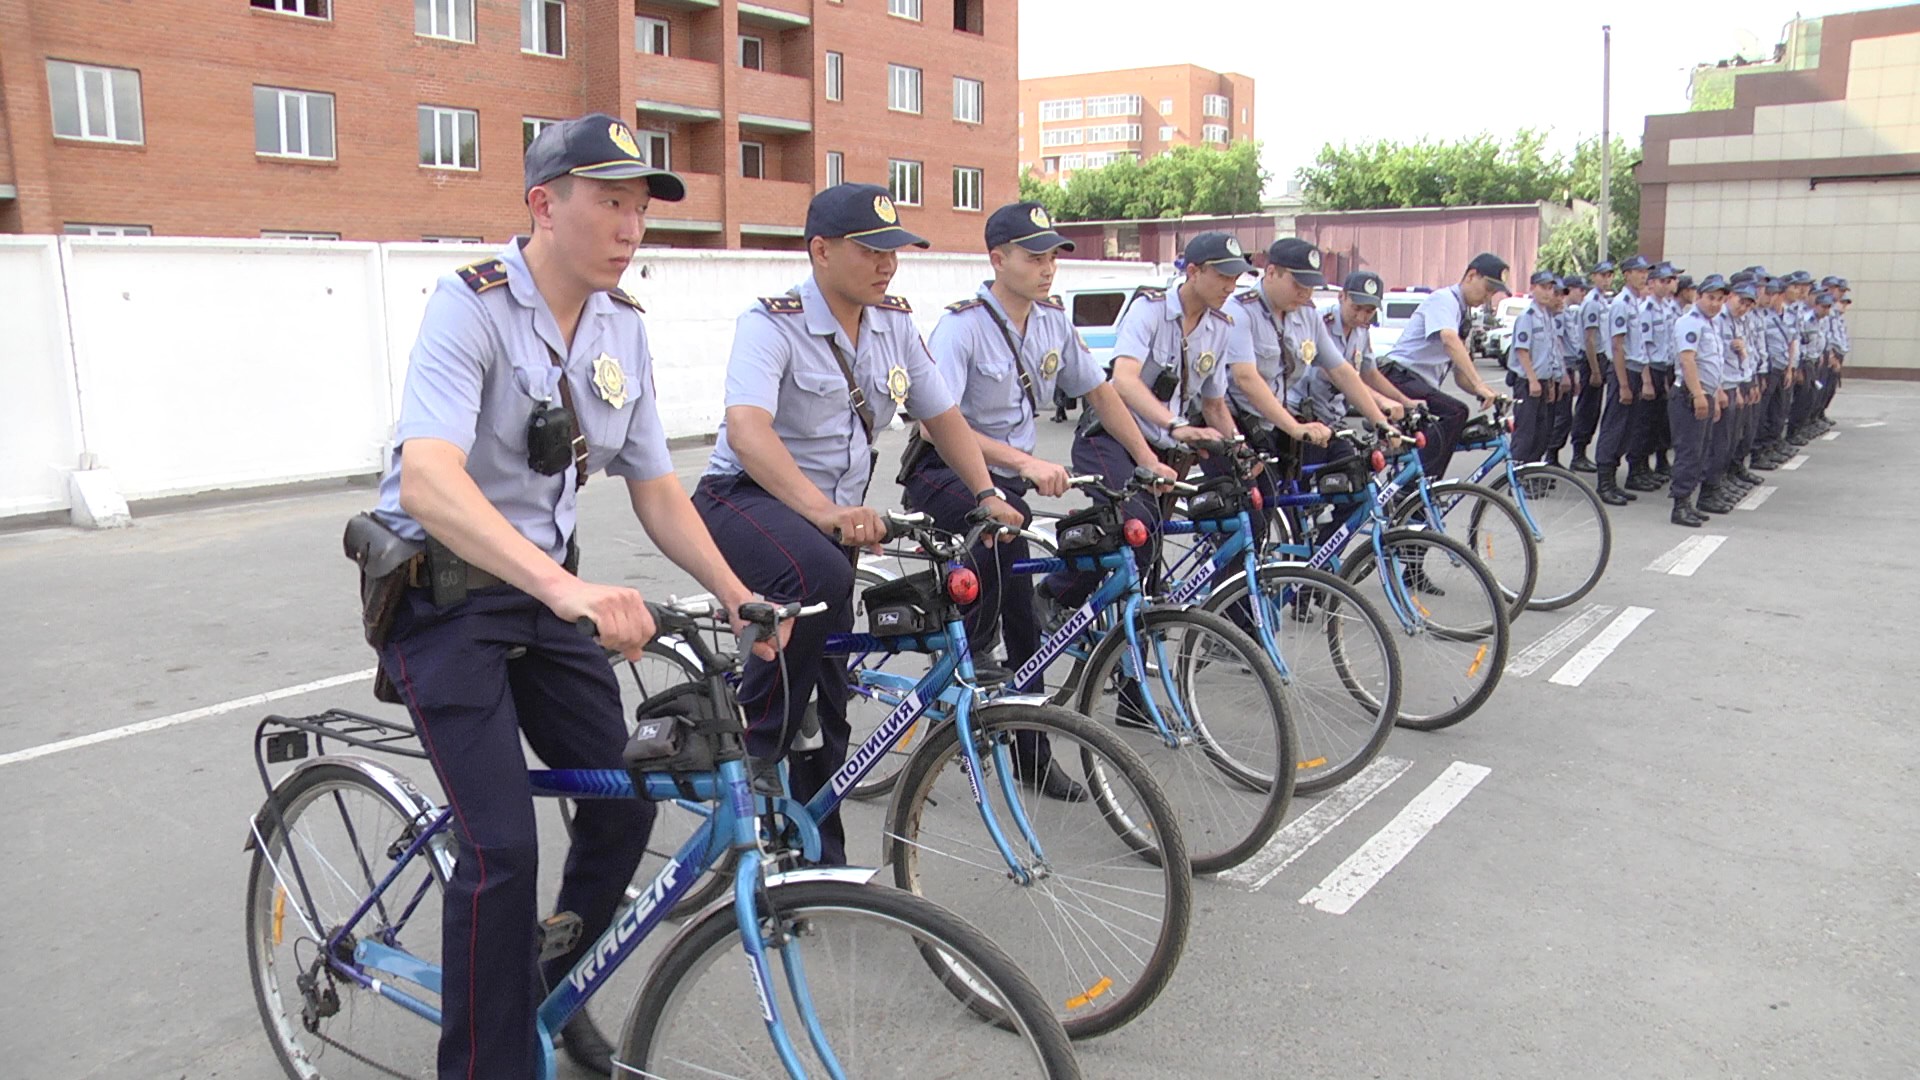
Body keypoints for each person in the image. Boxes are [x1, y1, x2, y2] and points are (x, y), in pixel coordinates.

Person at [360, 113, 780, 1079]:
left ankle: (556, 985)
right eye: (611, 202)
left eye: (640, 207)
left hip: (545, 600)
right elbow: (427, 478)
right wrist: (570, 589)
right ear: (545, 205)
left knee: (626, 800)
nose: (631, 226)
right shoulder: (466, 304)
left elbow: (657, 485)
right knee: (501, 848)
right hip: (443, 596)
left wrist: (733, 590)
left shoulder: (620, 327)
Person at [694, 183, 1023, 864]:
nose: (888, 264)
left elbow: (943, 417)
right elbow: (748, 432)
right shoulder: (771, 322)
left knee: (833, 687)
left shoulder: (894, 324)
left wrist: (986, 492)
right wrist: (821, 512)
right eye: (871, 250)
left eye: (895, 250)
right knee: (816, 584)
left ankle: (822, 857)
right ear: (820, 251)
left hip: (832, 523)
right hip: (745, 498)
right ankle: (756, 754)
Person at [905, 201, 1150, 798]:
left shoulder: (1051, 323)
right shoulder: (961, 326)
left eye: (1052, 257)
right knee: (1002, 570)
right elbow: (939, 423)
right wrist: (1023, 463)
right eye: (1034, 256)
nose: (1048, 269)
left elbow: (1100, 391)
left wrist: (1148, 459)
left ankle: (1032, 754)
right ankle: (976, 652)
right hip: (947, 474)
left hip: (1007, 486)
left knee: (1031, 620)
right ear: (998, 258)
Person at [1042, 231, 1247, 608]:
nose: (1231, 286)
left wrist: (1237, 446)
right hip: (1110, 438)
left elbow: (1215, 403)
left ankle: (1137, 619)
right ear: (1194, 271)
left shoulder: (1221, 326)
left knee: (1231, 507)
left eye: (1236, 278)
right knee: (1131, 522)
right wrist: (1176, 424)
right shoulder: (1149, 310)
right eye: (1223, 276)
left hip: (1164, 450)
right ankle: (1057, 596)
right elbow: (1124, 380)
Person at [1227, 240, 1402, 510]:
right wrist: (1294, 427)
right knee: (1256, 515)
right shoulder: (1240, 310)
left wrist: (1380, 421)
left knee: (1340, 491)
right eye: (1298, 285)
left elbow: (1341, 370)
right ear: (1271, 272)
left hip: (1274, 426)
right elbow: (1246, 379)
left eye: (1310, 286)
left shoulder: (1306, 314)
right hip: (1235, 423)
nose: (1305, 293)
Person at [1376, 252, 1509, 476]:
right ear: (1471, 275)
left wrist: (1486, 391)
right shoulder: (1444, 299)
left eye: (1493, 293)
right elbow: (1449, 340)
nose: (1488, 297)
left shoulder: (1462, 314)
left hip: (1416, 382)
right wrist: (1478, 384)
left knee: (1450, 426)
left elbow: (1460, 376)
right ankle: (1419, 490)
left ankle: (1418, 487)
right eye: (1487, 289)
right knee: (1456, 413)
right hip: (1399, 377)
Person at [1669, 275, 1732, 526]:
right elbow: (1688, 360)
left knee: (1701, 450)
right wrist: (1698, 395)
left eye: (1720, 299)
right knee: (1689, 451)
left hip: (1705, 393)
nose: (1715, 304)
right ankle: (1680, 504)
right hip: (1688, 394)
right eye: (1710, 298)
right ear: (1699, 297)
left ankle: (1689, 502)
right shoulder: (1690, 322)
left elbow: (1711, 364)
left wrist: (1714, 394)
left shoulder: (1711, 324)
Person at [1592, 254, 1654, 506]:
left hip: (1635, 369)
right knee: (1614, 426)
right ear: (1626, 274)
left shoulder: (1636, 303)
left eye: (1645, 272)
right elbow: (1617, 347)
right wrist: (1625, 385)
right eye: (1638, 271)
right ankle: (1604, 482)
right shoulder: (1621, 304)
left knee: (1628, 428)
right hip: (1624, 371)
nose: (1644, 276)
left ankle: (1613, 481)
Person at [1505, 271, 1566, 463]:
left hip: (1542, 381)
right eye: (1543, 287)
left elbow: (1550, 352)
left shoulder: (1546, 317)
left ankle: (1533, 471)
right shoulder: (1527, 316)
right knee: (1526, 431)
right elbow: (1522, 351)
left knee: (1541, 431)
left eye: (1550, 288)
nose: (1548, 293)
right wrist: (1532, 380)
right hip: (1528, 381)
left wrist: (1550, 383)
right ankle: (1517, 471)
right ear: (1532, 288)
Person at [1568, 260, 1616, 472]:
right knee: (1587, 408)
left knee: (1594, 409)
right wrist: (1595, 370)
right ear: (1594, 277)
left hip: (1601, 358)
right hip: (1591, 360)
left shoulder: (1603, 301)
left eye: (1609, 275)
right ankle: (1578, 453)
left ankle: (1582, 451)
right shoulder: (1592, 303)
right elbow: (1589, 339)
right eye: (1602, 275)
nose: (1606, 279)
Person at [1548, 273, 1590, 466]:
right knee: (1559, 418)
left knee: (1563, 418)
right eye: (1580, 289)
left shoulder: (1566, 312)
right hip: (1560, 369)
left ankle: (1553, 458)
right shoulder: (1556, 315)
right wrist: (1565, 373)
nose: (1583, 293)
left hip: (1569, 366)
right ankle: (1550, 457)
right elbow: (1557, 344)